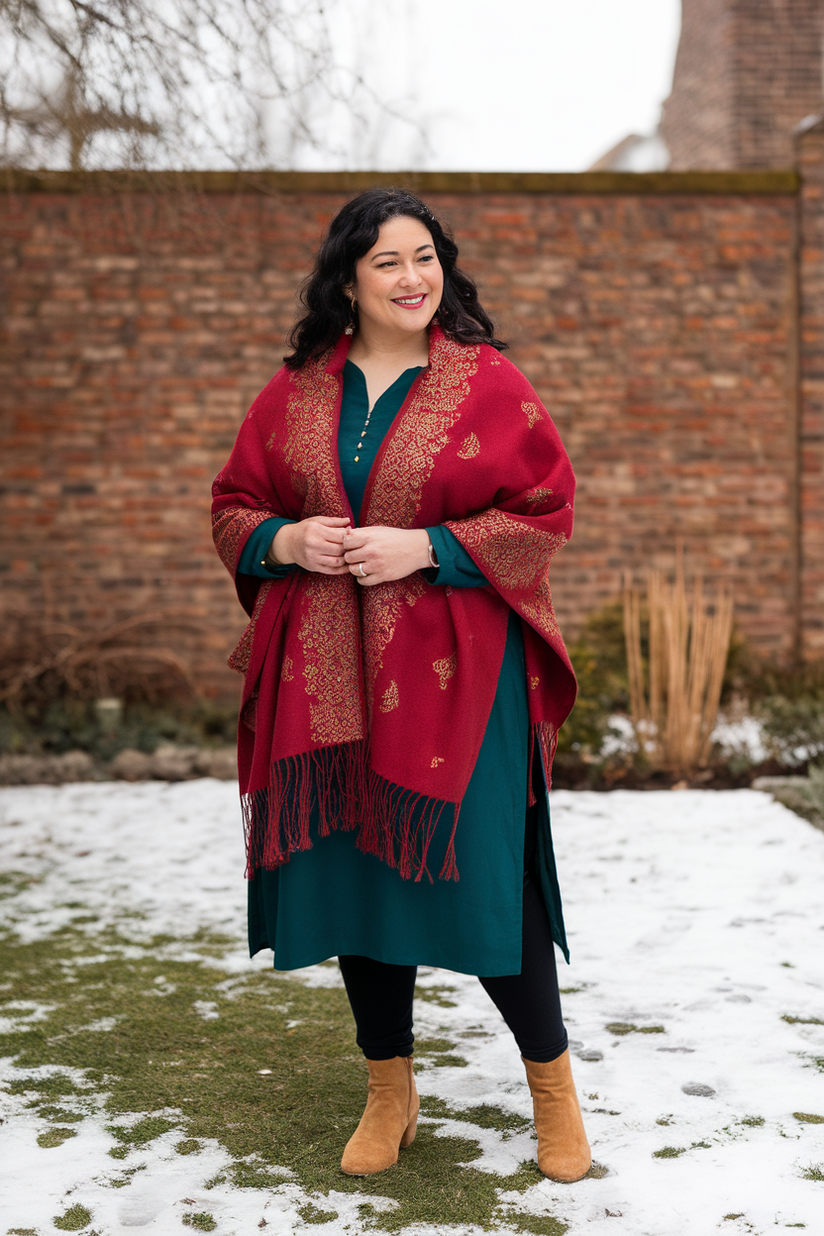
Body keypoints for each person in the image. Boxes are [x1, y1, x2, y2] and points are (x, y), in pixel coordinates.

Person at [211, 186, 591, 1183]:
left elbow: (544, 510)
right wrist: (284, 538)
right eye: (387, 262)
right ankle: (390, 1092)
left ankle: (550, 1088)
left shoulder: (487, 383)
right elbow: (232, 505)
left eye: (424, 257)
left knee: (485, 874)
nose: (412, 278)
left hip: (459, 677)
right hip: (323, 677)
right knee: (357, 886)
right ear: (347, 278)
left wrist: (428, 547)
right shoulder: (294, 391)